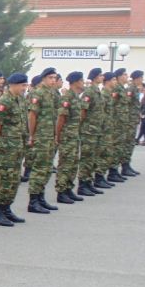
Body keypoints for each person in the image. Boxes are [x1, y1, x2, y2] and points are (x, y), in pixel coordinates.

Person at [0, 73, 30, 225]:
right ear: (13, 85)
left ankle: (7, 208)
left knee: (14, 179)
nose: (24, 88)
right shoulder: (4, 101)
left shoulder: (20, 100)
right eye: (22, 85)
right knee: (4, 179)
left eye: (25, 85)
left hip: (17, 146)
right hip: (6, 147)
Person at [27, 67, 60, 213]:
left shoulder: (53, 93)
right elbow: (32, 115)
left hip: (49, 136)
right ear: (44, 78)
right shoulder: (38, 93)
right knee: (39, 168)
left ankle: (41, 197)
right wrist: (32, 135)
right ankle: (33, 201)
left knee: (46, 169)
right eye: (50, 78)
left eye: (55, 78)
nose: (53, 80)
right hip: (40, 136)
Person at [54, 72, 86, 204]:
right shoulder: (67, 98)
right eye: (82, 81)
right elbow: (61, 118)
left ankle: (68, 188)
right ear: (76, 82)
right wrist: (58, 135)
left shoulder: (76, 97)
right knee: (66, 164)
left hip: (74, 135)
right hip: (67, 136)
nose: (83, 83)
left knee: (73, 163)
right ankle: (61, 191)